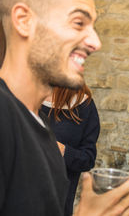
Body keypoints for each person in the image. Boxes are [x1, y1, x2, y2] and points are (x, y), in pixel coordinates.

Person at [0, 0, 129, 216]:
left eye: (93, 26)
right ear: (24, 20)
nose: (95, 42)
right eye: (78, 23)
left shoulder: (37, 126)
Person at [41, 84, 100, 216]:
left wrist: (62, 150)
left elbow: (87, 159)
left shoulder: (84, 105)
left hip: (58, 204)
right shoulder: (23, 96)